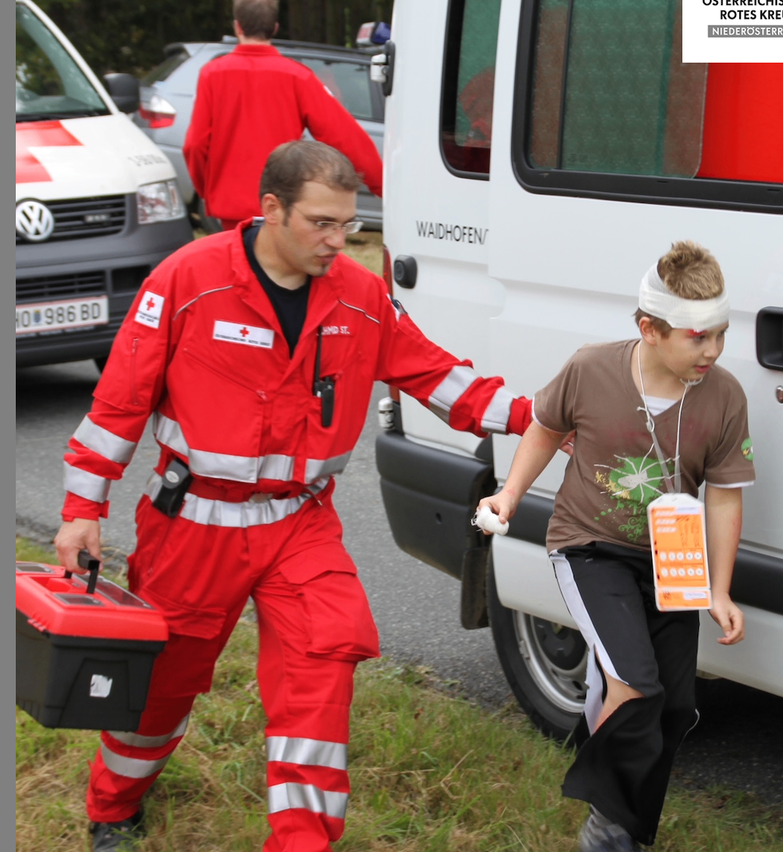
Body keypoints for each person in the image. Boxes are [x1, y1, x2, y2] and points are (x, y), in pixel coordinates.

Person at [54, 139, 532, 852]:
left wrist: (547, 416)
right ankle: (114, 804)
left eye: (348, 225)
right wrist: (81, 513)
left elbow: (439, 380)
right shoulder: (188, 280)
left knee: (322, 672)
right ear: (270, 209)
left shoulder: (362, 296)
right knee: (163, 689)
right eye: (322, 224)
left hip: (299, 525)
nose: (339, 242)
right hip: (192, 527)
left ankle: (302, 842)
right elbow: (119, 404)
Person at [476, 241, 755, 851]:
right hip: (591, 544)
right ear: (648, 329)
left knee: (676, 708)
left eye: (720, 334)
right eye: (696, 336)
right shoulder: (591, 368)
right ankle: (607, 824)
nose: (711, 350)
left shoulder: (724, 395)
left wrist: (721, 588)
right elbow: (546, 428)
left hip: (672, 562)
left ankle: (624, 826)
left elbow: (726, 495)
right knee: (635, 684)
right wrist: (510, 494)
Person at [182, 0, 383, 231]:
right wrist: (380, 185)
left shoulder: (212, 74)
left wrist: (208, 189)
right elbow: (343, 136)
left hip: (232, 211)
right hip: (282, 205)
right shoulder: (297, 76)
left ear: (237, 27)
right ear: (275, 27)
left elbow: (194, 145)